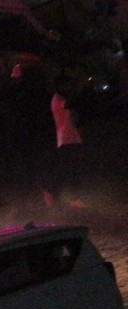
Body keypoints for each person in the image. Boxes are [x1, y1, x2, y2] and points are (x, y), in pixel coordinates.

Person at [45, 76, 86, 209]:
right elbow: (71, 103)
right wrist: (82, 88)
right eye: (67, 85)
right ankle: (51, 191)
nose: (69, 87)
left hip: (73, 137)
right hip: (65, 139)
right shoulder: (57, 100)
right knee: (65, 169)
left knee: (74, 169)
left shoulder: (63, 98)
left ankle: (73, 198)